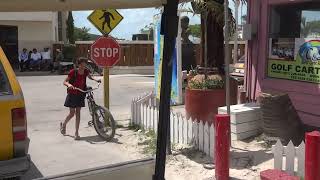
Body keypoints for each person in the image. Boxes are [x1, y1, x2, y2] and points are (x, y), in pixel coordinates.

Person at [60, 58, 101, 140]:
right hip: (72, 94)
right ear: (78, 64)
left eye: (85, 64)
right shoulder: (73, 72)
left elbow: (90, 77)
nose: (83, 65)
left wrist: (96, 80)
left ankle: (76, 132)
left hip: (81, 93)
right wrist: (69, 85)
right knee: (72, 113)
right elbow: (65, 81)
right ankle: (64, 124)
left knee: (78, 112)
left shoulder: (85, 71)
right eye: (82, 64)